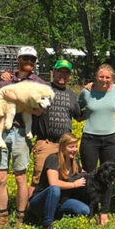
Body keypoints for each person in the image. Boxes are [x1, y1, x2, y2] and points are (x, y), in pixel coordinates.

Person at [0, 46, 46, 228]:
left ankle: (20, 218)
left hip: (22, 133)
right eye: (25, 58)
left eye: (32, 59)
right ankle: (2, 217)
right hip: (2, 131)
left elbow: (40, 110)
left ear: (35, 62)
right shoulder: (6, 80)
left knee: (20, 177)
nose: (28, 62)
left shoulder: (38, 83)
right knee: (0, 176)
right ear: (18, 59)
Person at [28, 59, 83, 198]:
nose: (62, 75)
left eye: (66, 73)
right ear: (53, 72)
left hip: (65, 146)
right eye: (60, 72)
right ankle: (27, 211)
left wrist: (93, 94)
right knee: (38, 178)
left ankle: (56, 208)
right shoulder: (43, 88)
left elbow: (78, 116)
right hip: (46, 142)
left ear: (70, 76)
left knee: (63, 177)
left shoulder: (71, 95)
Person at [78, 63, 115, 225]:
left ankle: (104, 211)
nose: (104, 80)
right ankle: (91, 209)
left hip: (110, 139)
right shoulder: (86, 92)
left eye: (107, 77)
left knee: (108, 177)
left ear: (112, 79)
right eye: (101, 76)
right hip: (90, 139)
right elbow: (77, 110)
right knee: (90, 176)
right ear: (96, 77)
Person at [28, 133, 90, 229]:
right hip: (40, 201)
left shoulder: (75, 163)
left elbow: (86, 175)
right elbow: (54, 183)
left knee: (84, 210)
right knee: (55, 189)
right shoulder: (53, 159)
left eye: (75, 146)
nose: (74, 150)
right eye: (71, 147)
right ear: (62, 147)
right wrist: (74, 184)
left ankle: (56, 217)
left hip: (60, 202)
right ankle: (46, 227)